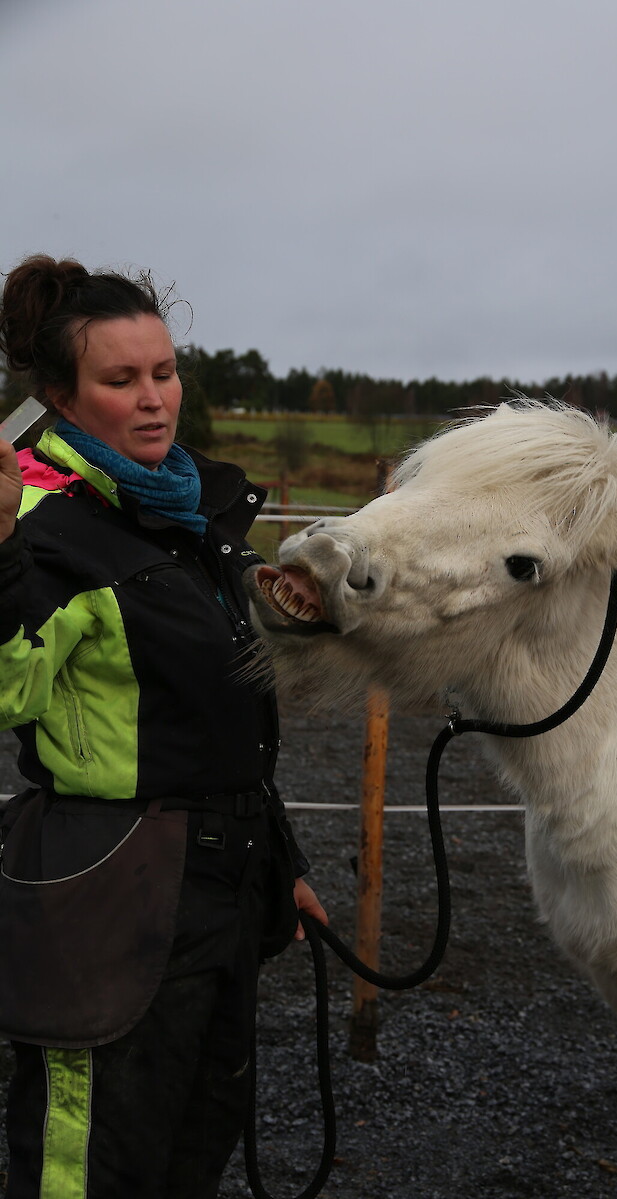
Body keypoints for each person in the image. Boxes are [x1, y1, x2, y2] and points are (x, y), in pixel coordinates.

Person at [0, 254, 327, 1199]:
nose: (154, 400)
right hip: (105, 892)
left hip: (219, 885)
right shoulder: (43, 525)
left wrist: (287, 862)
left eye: (164, 372)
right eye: (120, 380)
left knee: (193, 1148)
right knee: (90, 1164)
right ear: (59, 396)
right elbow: (6, 690)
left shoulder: (189, 510)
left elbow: (220, 715)